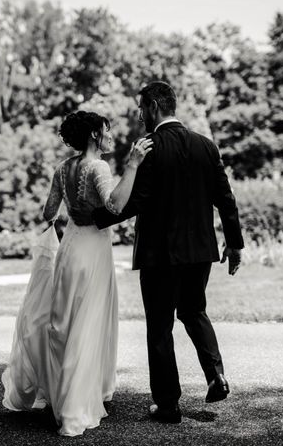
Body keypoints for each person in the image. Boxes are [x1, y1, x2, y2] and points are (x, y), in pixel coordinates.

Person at [74, 81, 244, 424]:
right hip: (199, 251)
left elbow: (132, 203)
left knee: (160, 325)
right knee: (194, 311)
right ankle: (216, 375)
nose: (139, 116)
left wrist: (92, 218)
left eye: (141, 109)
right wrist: (235, 243)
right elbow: (225, 199)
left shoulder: (149, 150)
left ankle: (168, 405)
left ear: (153, 106)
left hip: (159, 254)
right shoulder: (206, 146)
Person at [1, 111, 153, 436]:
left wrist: (75, 208)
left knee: (65, 324)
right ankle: (77, 404)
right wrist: (133, 165)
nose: (110, 135)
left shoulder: (62, 168)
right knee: (89, 322)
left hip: (69, 249)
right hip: (93, 251)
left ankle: (61, 396)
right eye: (106, 130)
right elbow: (114, 205)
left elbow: (47, 212)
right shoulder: (97, 166)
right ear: (94, 136)